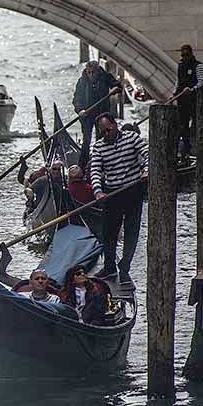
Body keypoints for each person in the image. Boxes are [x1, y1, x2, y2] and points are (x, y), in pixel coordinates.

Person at [89, 113, 148, 284]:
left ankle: (125, 266)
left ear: (115, 125)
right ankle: (109, 268)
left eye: (109, 129)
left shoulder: (132, 138)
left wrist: (146, 170)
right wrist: (98, 191)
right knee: (108, 233)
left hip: (133, 191)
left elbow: (147, 153)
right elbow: (95, 170)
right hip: (112, 193)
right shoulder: (99, 147)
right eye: (103, 132)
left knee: (131, 232)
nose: (107, 133)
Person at [72, 58, 121, 153]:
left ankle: (103, 157)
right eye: (88, 72)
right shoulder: (82, 81)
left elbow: (117, 85)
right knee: (86, 140)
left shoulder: (105, 77)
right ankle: (83, 162)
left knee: (102, 138)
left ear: (98, 71)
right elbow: (77, 99)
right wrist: (80, 110)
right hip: (87, 115)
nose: (91, 75)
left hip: (102, 114)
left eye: (93, 72)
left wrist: (115, 89)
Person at [174, 44, 203, 158]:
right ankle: (185, 150)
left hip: (194, 99)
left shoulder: (199, 66)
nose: (185, 57)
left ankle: (194, 148)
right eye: (183, 55)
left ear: (191, 54)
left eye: (186, 55)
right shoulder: (180, 66)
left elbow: (201, 82)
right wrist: (174, 94)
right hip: (182, 99)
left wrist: (192, 89)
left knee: (196, 123)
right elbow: (178, 82)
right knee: (182, 124)